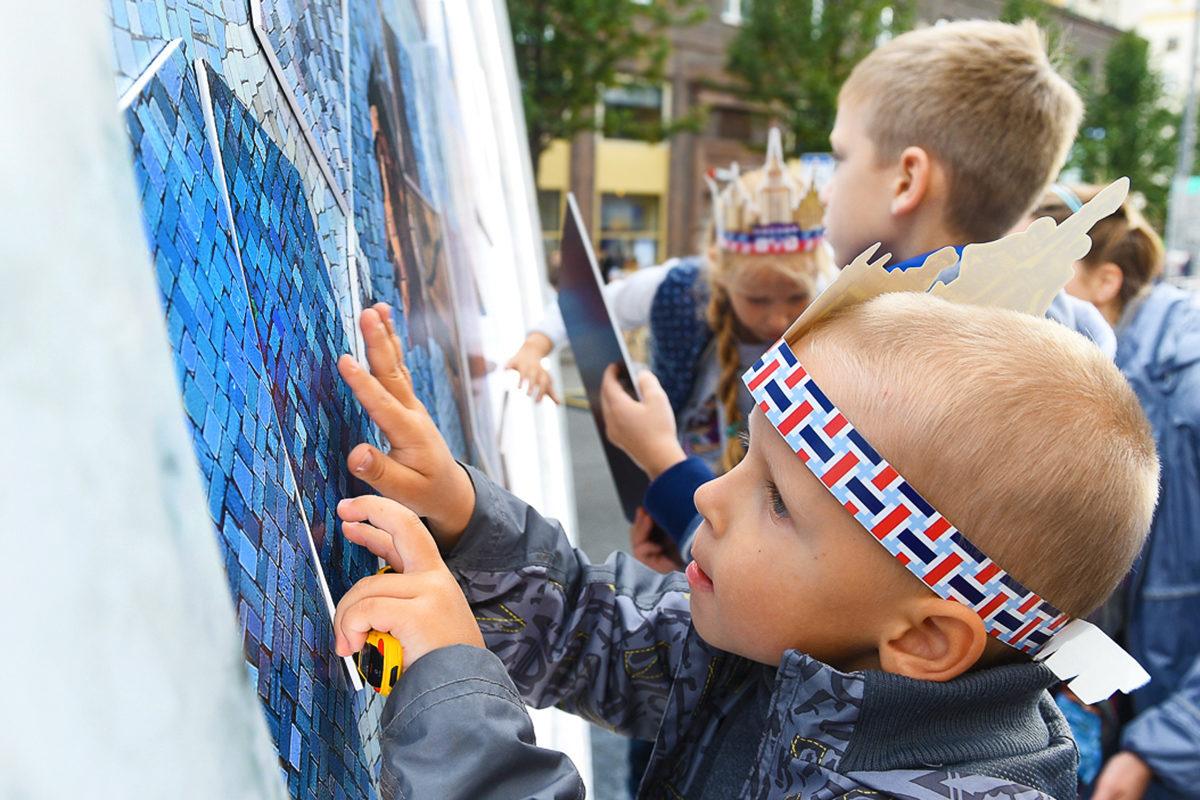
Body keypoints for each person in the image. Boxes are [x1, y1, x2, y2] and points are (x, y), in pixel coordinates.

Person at [331, 290, 1158, 799]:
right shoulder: (786, 640)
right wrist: (465, 514)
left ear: (923, 637)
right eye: (742, 457)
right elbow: (596, 630)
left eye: (777, 501)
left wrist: (451, 695)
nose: (704, 497)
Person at [604, 19, 1107, 551]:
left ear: (907, 180)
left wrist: (662, 462)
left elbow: (794, 574)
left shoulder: (891, 356)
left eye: (841, 158)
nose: (827, 189)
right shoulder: (1062, 333)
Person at [507, 128, 837, 479]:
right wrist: (534, 348)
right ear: (718, 269)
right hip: (685, 480)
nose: (778, 316)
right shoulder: (679, 289)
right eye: (757, 299)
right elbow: (586, 305)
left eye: (796, 297)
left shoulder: (831, 303)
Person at [1042, 186, 1200, 800]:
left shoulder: (1184, 391)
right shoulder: (1105, 381)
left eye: (1046, 276)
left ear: (1105, 281)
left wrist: (1159, 750)